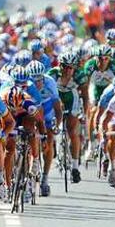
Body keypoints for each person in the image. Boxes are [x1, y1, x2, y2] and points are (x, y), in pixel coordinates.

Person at [0, 86, 46, 199]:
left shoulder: (29, 104)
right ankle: (7, 185)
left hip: (24, 116)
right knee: (9, 149)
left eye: (18, 107)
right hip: (8, 118)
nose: (15, 110)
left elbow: (39, 121)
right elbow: (2, 124)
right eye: (13, 107)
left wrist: (43, 136)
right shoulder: (1, 102)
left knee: (31, 130)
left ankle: (34, 159)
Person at [26, 60, 62, 196]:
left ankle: (45, 179)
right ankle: (27, 173)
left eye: (39, 79)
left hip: (47, 111)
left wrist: (56, 126)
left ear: (43, 77)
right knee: (28, 138)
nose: (37, 83)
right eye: (33, 80)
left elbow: (57, 107)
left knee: (50, 138)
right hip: (31, 110)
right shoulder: (26, 84)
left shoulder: (50, 82)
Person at [47, 51, 83, 183]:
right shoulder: (52, 74)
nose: (68, 70)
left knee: (72, 131)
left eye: (71, 67)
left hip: (71, 98)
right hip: (56, 97)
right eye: (65, 66)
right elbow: (48, 93)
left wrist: (84, 111)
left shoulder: (79, 75)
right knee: (51, 124)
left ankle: (74, 167)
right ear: (60, 65)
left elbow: (84, 93)